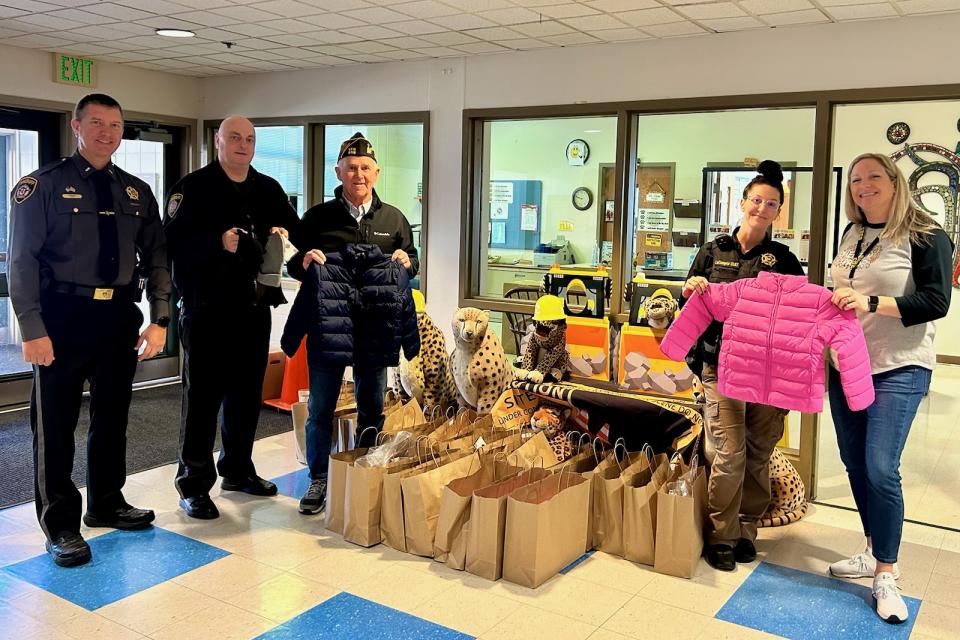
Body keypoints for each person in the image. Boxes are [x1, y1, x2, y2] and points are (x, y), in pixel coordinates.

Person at [7, 93, 171, 567]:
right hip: (61, 318)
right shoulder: (42, 185)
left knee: (112, 418)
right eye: (97, 123)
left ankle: (107, 502)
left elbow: (158, 257)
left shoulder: (136, 191)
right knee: (55, 425)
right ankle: (60, 525)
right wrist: (32, 328)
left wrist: (160, 318)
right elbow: (21, 261)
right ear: (77, 127)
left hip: (117, 316)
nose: (107, 133)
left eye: (115, 125)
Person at [827, 153, 952, 624]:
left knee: (881, 468)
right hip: (847, 364)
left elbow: (936, 300)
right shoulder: (853, 232)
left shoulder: (925, 234)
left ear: (895, 182)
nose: (864, 185)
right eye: (856, 179)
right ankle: (871, 547)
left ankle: (886, 572)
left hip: (899, 365)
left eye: (874, 176)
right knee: (855, 463)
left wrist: (872, 301)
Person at [164, 116, 300, 520]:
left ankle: (238, 470)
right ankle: (193, 485)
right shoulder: (193, 187)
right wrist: (217, 243)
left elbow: (295, 232)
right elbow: (169, 244)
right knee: (203, 400)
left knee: (245, 397)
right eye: (235, 137)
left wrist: (288, 239)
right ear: (218, 141)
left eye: (250, 139)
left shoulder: (268, 188)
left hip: (253, 310)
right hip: (207, 309)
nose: (243, 144)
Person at [680, 160, 805, 572]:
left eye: (771, 203)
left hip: (768, 372)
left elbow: (798, 318)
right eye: (756, 200)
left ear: (778, 211)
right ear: (742, 202)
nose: (761, 208)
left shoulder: (784, 260)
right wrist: (690, 288)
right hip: (721, 366)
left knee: (758, 453)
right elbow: (687, 306)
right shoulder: (713, 251)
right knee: (729, 452)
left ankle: (747, 529)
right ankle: (721, 533)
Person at [287, 132, 419, 515]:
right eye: (351, 168)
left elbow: (412, 260)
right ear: (338, 171)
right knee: (320, 409)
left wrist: (408, 263)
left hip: (374, 327)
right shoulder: (317, 218)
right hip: (328, 327)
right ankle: (318, 479)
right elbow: (293, 263)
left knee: (372, 407)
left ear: (376, 173)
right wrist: (303, 263)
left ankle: (364, 472)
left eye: (365, 168)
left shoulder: (394, 219)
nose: (358, 174)